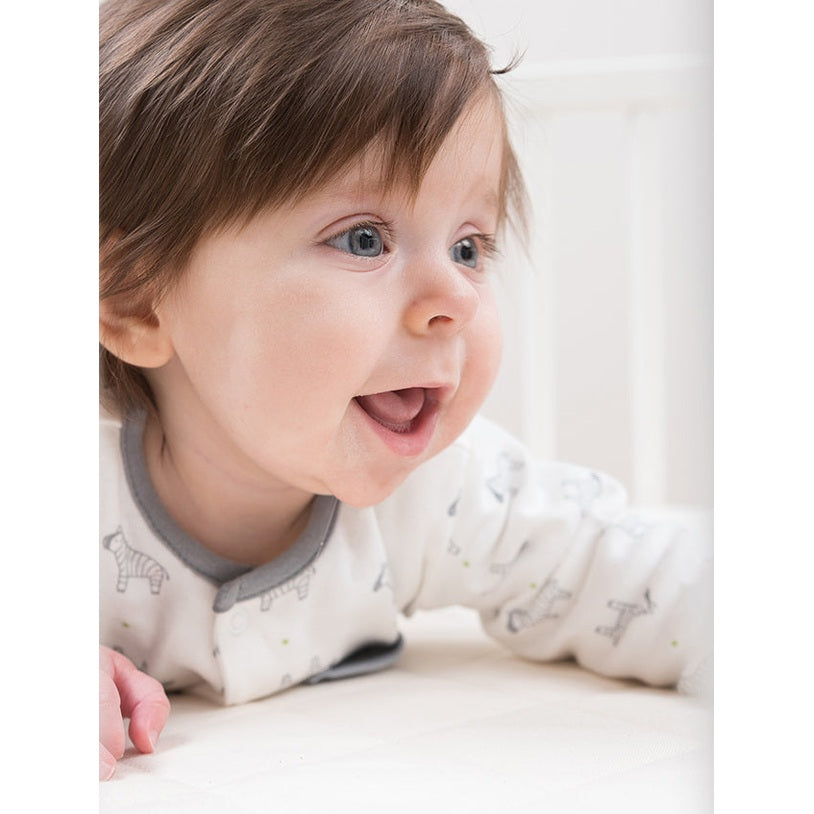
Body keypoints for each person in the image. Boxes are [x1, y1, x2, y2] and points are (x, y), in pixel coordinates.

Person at [99, 0, 712, 782]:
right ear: (136, 299)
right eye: (364, 239)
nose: (454, 297)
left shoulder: (448, 494)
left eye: (469, 247)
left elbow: (629, 569)